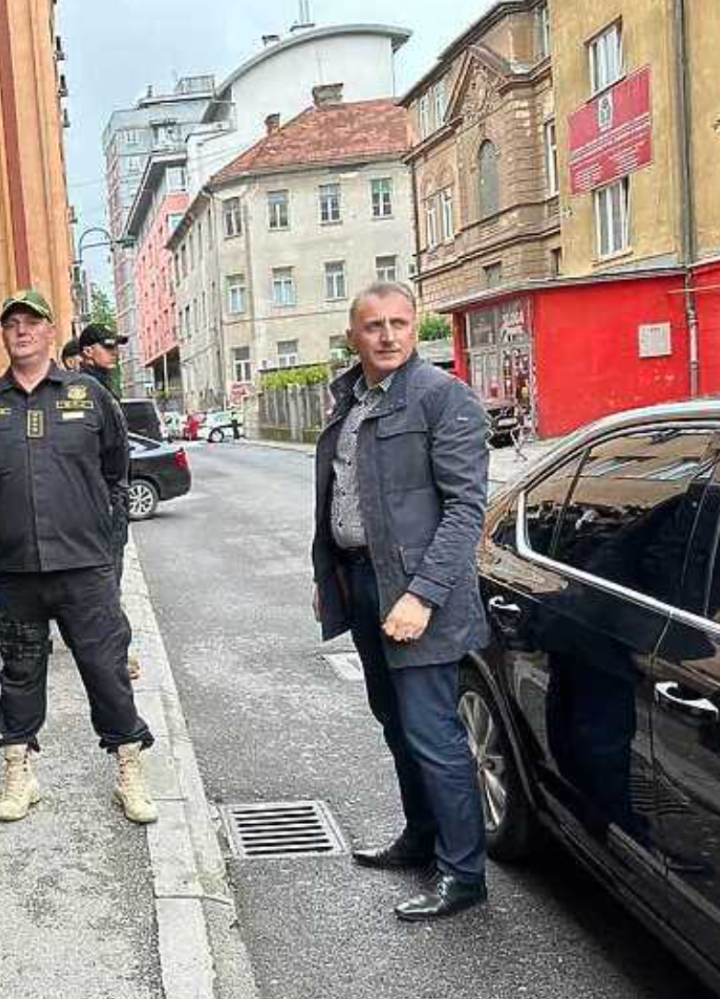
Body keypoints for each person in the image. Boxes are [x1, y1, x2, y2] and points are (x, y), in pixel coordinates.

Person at [311, 281, 490, 921]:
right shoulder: (350, 400)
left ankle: (463, 874)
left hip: (418, 600)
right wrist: (327, 575)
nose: (388, 336)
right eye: (374, 326)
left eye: (400, 324)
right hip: (363, 586)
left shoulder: (443, 399)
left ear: (415, 329)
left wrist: (422, 595)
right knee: (396, 727)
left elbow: (466, 511)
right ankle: (422, 838)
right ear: (352, 335)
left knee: (434, 736)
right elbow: (342, 496)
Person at [0, 289, 157, 826]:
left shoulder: (88, 397)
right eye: (12, 323)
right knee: (19, 674)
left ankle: (129, 771)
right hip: (15, 572)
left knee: (107, 670)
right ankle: (21, 774)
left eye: (32, 323)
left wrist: (106, 542)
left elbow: (116, 471)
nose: (22, 331)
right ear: (4, 334)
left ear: (48, 332)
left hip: (85, 569)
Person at [76, 322, 142, 681]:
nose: (114, 353)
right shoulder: (88, 390)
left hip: (112, 499)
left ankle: (114, 652)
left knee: (108, 579)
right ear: (88, 352)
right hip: (103, 502)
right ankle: (114, 656)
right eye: (108, 347)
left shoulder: (103, 387)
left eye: (116, 347)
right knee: (105, 582)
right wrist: (110, 496)